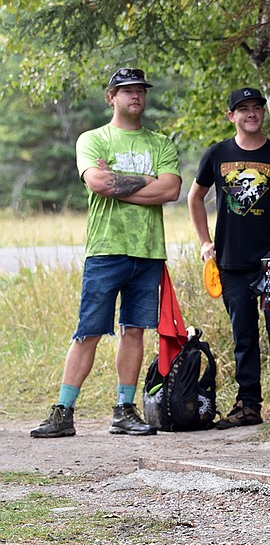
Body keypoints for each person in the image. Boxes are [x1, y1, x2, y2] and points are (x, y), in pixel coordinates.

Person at [31, 67, 182, 438]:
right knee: (89, 331)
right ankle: (63, 411)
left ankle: (124, 410)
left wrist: (121, 183)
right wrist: (148, 182)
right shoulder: (93, 139)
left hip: (148, 250)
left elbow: (172, 190)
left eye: (140, 91)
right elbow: (98, 182)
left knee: (135, 332)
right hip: (105, 249)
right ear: (110, 96)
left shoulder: (160, 143)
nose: (136, 96)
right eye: (126, 90)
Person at [188, 87, 270, 428]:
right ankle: (248, 405)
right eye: (243, 109)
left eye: (256, 108)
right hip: (231, 262)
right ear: (231, 116)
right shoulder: (217, 154)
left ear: (263, 113)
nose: (251, 113)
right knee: (244, 335)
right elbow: (195, 198)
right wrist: (204, 242)